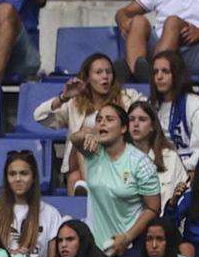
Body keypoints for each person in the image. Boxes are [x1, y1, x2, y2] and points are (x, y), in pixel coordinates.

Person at [32, 52, 132, 188]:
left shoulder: (125, 99)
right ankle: (90, 188)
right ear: (88, 78)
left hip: (113, 160)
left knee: (74, 179)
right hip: (79, 162)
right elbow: (39, 116)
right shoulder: (74, 104)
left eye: (108, 72)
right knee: (83, 135)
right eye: (99, 72)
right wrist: (63, 98)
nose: (105, 76)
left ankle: (88, 188)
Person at [81, 104, 161, 257]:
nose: (102, 123)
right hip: (96, 248)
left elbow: (153, 207)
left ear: (124, 128)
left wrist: (127, 238)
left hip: (129, 245)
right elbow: (75, 138)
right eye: (99, 120)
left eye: (109, 119)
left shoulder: (140, 162)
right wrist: (87, 135)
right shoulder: (93, 153)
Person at [126, 99, 189, 208]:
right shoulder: (119, 157)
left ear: (152, 126)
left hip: (164, 221)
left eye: (142, 119)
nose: (135, 124)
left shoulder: (170, 158)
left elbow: (184, 197)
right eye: (131, 119)